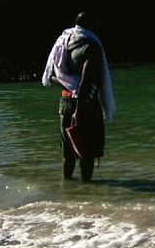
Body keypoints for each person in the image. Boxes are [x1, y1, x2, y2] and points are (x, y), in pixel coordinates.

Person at [42, 12, 116, 181]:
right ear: (92, 25)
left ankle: (67, 191)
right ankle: (86, 193)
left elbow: (52, 75)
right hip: (86, 104)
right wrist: (80, 109)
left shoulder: (62, 41)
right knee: (87, 153)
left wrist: (69, 86)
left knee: (68, 152)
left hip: (65, 101)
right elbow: (86, 81)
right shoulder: (91, 46)